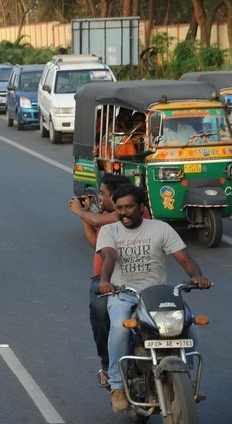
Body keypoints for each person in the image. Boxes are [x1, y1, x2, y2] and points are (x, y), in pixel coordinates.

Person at [97, 184, 212, 413]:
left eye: (129, 206)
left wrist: (197, 277)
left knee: (189, 326)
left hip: (157, 294)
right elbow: (109, 257)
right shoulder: (110, 231)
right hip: (124, 294)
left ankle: (185, 378)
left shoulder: (160, 229)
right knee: (119, 329)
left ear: (142, 207)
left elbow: (185, 259)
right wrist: (105, 281)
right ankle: (118, 386)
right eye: (119, 208)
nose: (124, 212)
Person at [68, 174, 131, 390]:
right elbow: (95, 242)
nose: (100, 198)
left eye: (103, 194)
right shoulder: (106, 215)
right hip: (103, 280)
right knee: (99, 311)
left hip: (131, 278)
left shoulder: (128, 212)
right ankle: (107, 365)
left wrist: (80, 211)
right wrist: (83, 216)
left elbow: (96, 221)